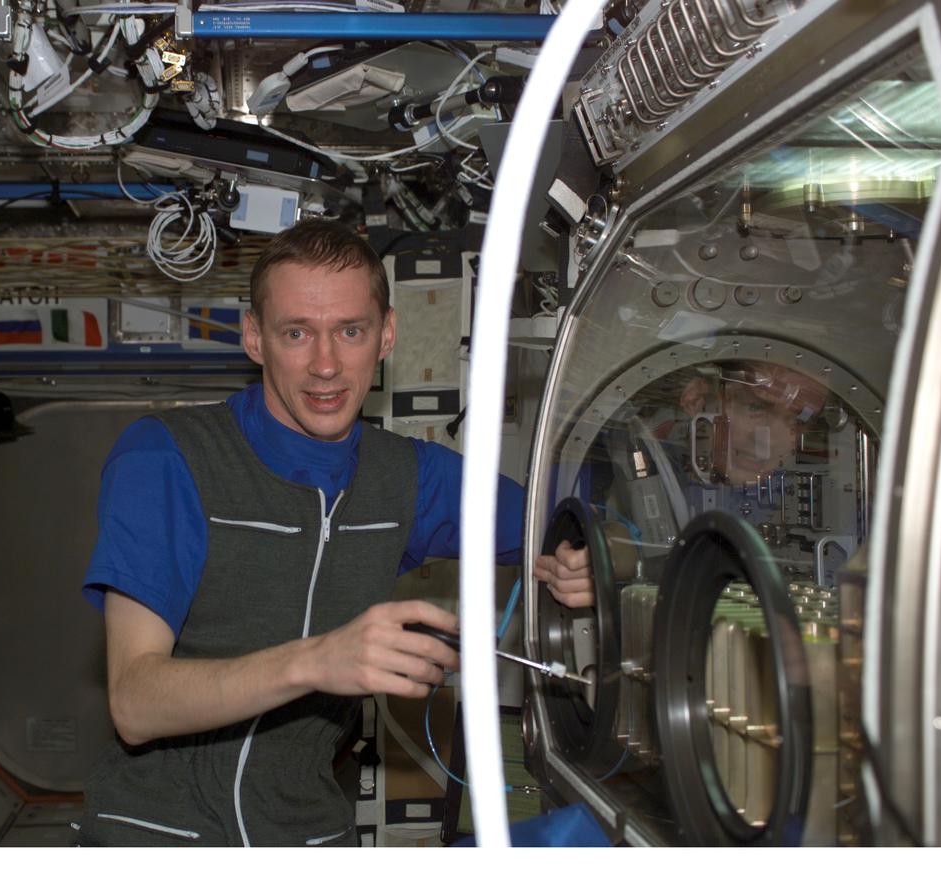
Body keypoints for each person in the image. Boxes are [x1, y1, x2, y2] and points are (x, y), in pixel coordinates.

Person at [78, 220, 594, 846]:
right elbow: (135, 704)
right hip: (154, 830)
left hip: (308, 832)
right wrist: (318, 660)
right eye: (297, 333)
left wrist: (582, 559)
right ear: (254, 338)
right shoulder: (166, 458)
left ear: (387, 335)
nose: (326, 366)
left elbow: (573, 515)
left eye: (350, 331)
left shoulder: (409, 478)